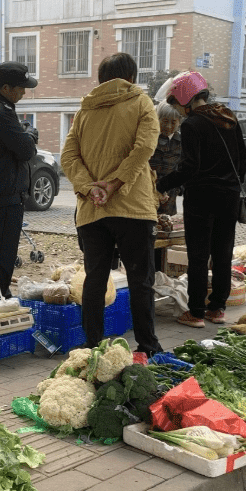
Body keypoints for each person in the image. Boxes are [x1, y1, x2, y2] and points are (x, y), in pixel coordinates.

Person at [61, 52, 162, 357]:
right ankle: (147, 345)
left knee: (95, 279)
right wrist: (116, 183)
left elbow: (68, 157)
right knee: (140, 279)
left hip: (92, 209)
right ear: (131, 77)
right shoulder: (141, 101)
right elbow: (145, 146)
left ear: (101, 79)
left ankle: (92, 345)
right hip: (133, 205)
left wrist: (89, 187)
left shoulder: (85, 111)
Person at [155, 71, 246, 329]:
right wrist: (231, 185)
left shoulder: (193, 124)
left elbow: (189, 168)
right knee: (222, 253)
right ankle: (217, 308)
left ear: (186, 98)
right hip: (229, 198)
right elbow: (241, 160)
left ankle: (195, 312)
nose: (177, 110)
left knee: (198, 255)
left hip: (201, 199)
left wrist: (161, 184)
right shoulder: (229, 117)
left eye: (175, 103)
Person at [0, 61, 39, 300]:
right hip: (4, 191)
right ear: (5, 87)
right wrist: (30, 136)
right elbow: (25, 150)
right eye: (21, 87)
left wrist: (25, 135)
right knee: (3, 250)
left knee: (2, 248)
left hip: (2, 189)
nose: (24, 91)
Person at [149, 101, 183, 216]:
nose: (168, 126)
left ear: (179, 122)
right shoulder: (149, 138)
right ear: (157, 119)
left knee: (165, 226)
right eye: (164, 121)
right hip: (147, 192)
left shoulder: (182, 142)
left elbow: (184, 168)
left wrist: (178, 188)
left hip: (169, 197)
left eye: (173, 122)